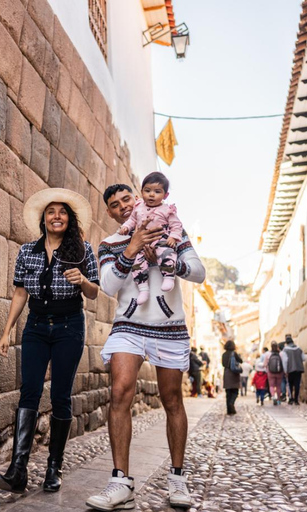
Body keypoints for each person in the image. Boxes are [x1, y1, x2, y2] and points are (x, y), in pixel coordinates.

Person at [85, 184, 205, 511]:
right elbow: (108, 286)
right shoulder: (109, 244)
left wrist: (172, 265)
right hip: (128, 326)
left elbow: (199, 273)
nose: (123, 206)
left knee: (172, 399)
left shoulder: (171, 229)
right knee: (120, 391)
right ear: (110, 212)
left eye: (126, 199)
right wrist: (131, 249)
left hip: (169, 328)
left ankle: (177, 478)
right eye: (115, 204)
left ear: (136, 199)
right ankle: (120, 482)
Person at [0, 188, 100, 494]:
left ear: (69, 219)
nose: (57, 216)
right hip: (36, 326)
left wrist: (83, 280)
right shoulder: (27, 251)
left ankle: (55, 467)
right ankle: (18, 470)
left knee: (61, 396)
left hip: (69, 326)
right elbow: (20, 292)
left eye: (62, 212)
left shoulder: (83, 250)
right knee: (29, 391)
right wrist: (7, 330)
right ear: (43, 219)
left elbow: (94, 292)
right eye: (51, 212)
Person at [117, 172, 184, 304]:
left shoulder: (167, 210)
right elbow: (132, 221)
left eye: (157, 192)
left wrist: (173, 237)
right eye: (147, 191)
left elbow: (176, 225)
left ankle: (168, 277)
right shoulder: (138, 207)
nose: (151, 195)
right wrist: (125, 227)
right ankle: (143, 289)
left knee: (167, 254)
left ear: (165, 195)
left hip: (161, 240)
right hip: (143, 243)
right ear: (142, 191)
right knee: (137, 263)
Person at [283, 334, 307, 405]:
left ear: (286, 342)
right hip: (298, 369)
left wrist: (285, 371)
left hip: (290, 370)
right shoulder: (299, 349)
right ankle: (296, 399)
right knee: (297, 384)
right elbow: (304, 358)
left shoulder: (285, 350)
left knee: (290, 384)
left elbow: (285, 361)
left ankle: (291, 399)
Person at [222, 341, 243, 415]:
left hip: (226, 373)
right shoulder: (234, 353)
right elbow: (241, 361)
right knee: (235, 392)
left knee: (228, 393)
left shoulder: (224, 354)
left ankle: (229, 410)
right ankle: (231, 404)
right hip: (234, 374)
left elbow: (223, 364)